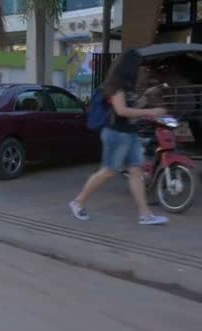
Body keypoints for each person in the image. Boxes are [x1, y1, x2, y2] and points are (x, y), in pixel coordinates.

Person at [69, 49, 169, 226]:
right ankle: (78, 202)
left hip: (129, 133)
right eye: (139, 65)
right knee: (108, 171)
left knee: (136, 172)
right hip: (116, 133)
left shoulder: (127, 85)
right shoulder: (116, 84)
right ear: (129, 66)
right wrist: (150, 111)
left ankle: (144, 214)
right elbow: (121, 110)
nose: (141, 69)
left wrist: (146, 96)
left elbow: (133, 107)